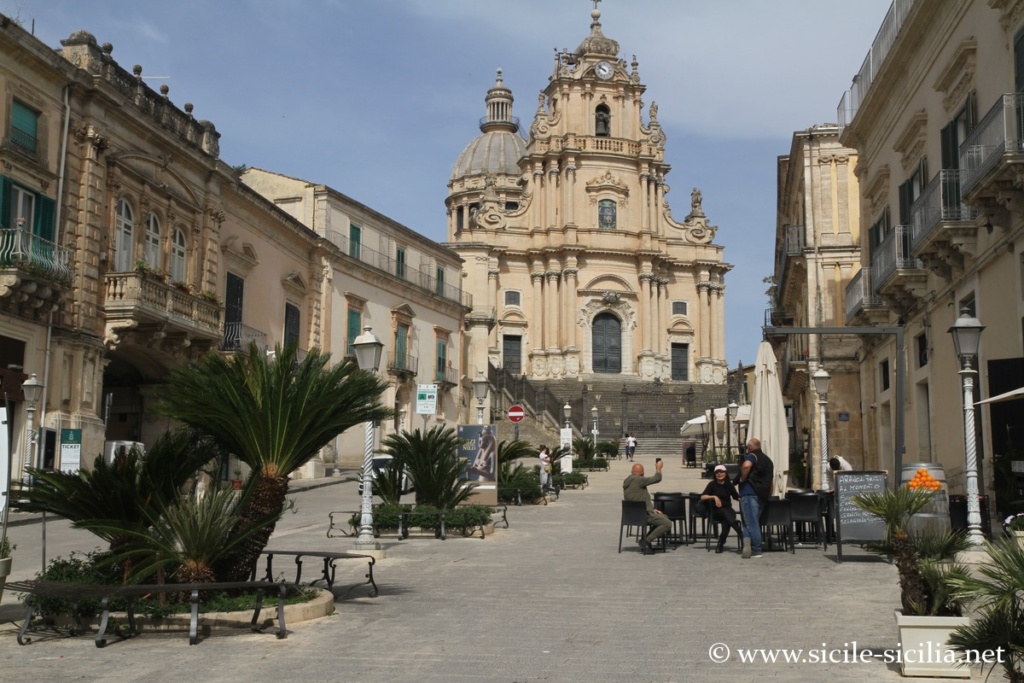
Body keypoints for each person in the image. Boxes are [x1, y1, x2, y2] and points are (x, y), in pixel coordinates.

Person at [736, 437, 774, 559]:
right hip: (762, 495)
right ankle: (747, 545)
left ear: (750, 447)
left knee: (751, 522)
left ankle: (757, 549)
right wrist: (768, 495)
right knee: (748, 522)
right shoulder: (768, 461)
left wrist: (742, 478)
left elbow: (746, 466)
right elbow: (770, 481)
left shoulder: (752, 456)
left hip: (749, 492)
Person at [622, 459, 671, 554]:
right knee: (667, 523)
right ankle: (646, 541)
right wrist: (658, 468)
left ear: (632, 472)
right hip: (642, 516)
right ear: (642, 473)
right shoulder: (639, 480)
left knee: (663, 517)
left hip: (631, 516)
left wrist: (652, 510)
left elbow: (638, 498)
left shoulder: (627, 481)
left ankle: (645, 540)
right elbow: (657, 478)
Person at [700, 464, 743, 553]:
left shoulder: (729, 485)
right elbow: (702, 497)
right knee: (724, 513)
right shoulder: (712, 484)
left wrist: (744, 500)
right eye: (717, 472)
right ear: (715, 474)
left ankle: (720, 544)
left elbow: (736, 497)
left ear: (726, 473)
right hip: (716, 511)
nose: (719, 474)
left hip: (728, 510)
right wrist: (714, 497)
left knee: (727, 519)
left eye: (721, 472)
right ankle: (740, 532)